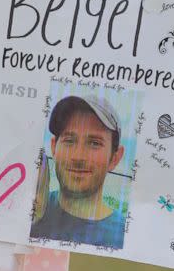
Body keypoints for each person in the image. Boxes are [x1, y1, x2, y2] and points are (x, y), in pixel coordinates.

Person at [30, 95, 126, 249]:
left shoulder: (122, 236)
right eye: (69, 141)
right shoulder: (28, 211)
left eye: (95, 143)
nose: (78, 156)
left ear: (115, 158)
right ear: (54, 147)